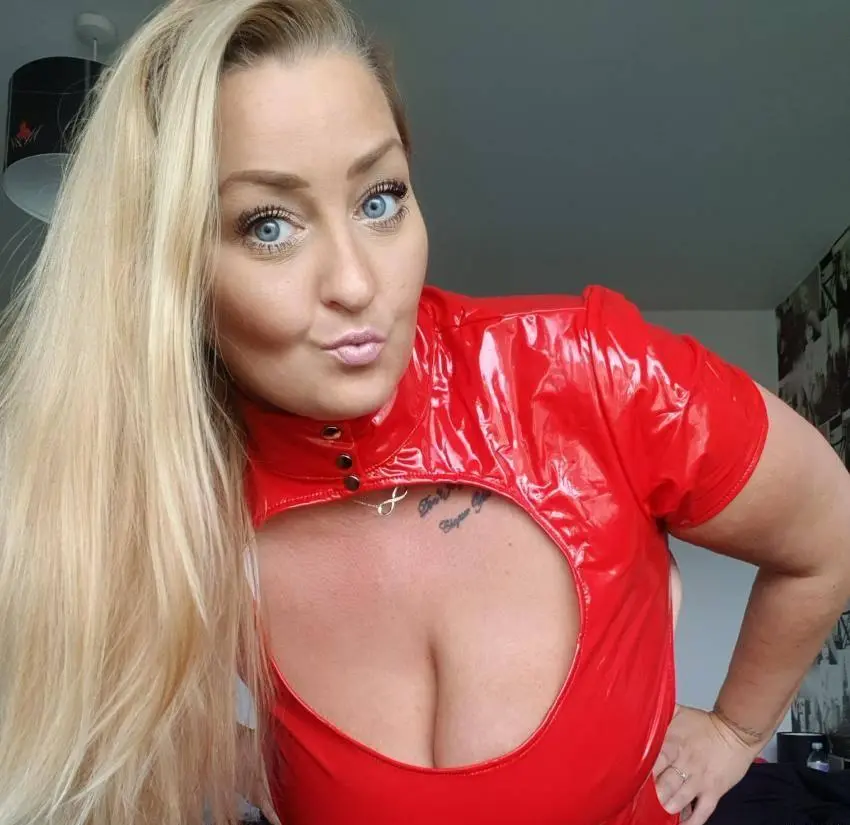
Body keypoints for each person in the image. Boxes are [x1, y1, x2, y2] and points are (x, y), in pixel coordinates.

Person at [1, 1, 849, 824]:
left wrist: (736, 731)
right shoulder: (163, 495)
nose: (357, 284)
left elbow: (827, 533)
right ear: (169, 268)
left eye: (379, 198)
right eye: (268, 226)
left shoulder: (593, 374)